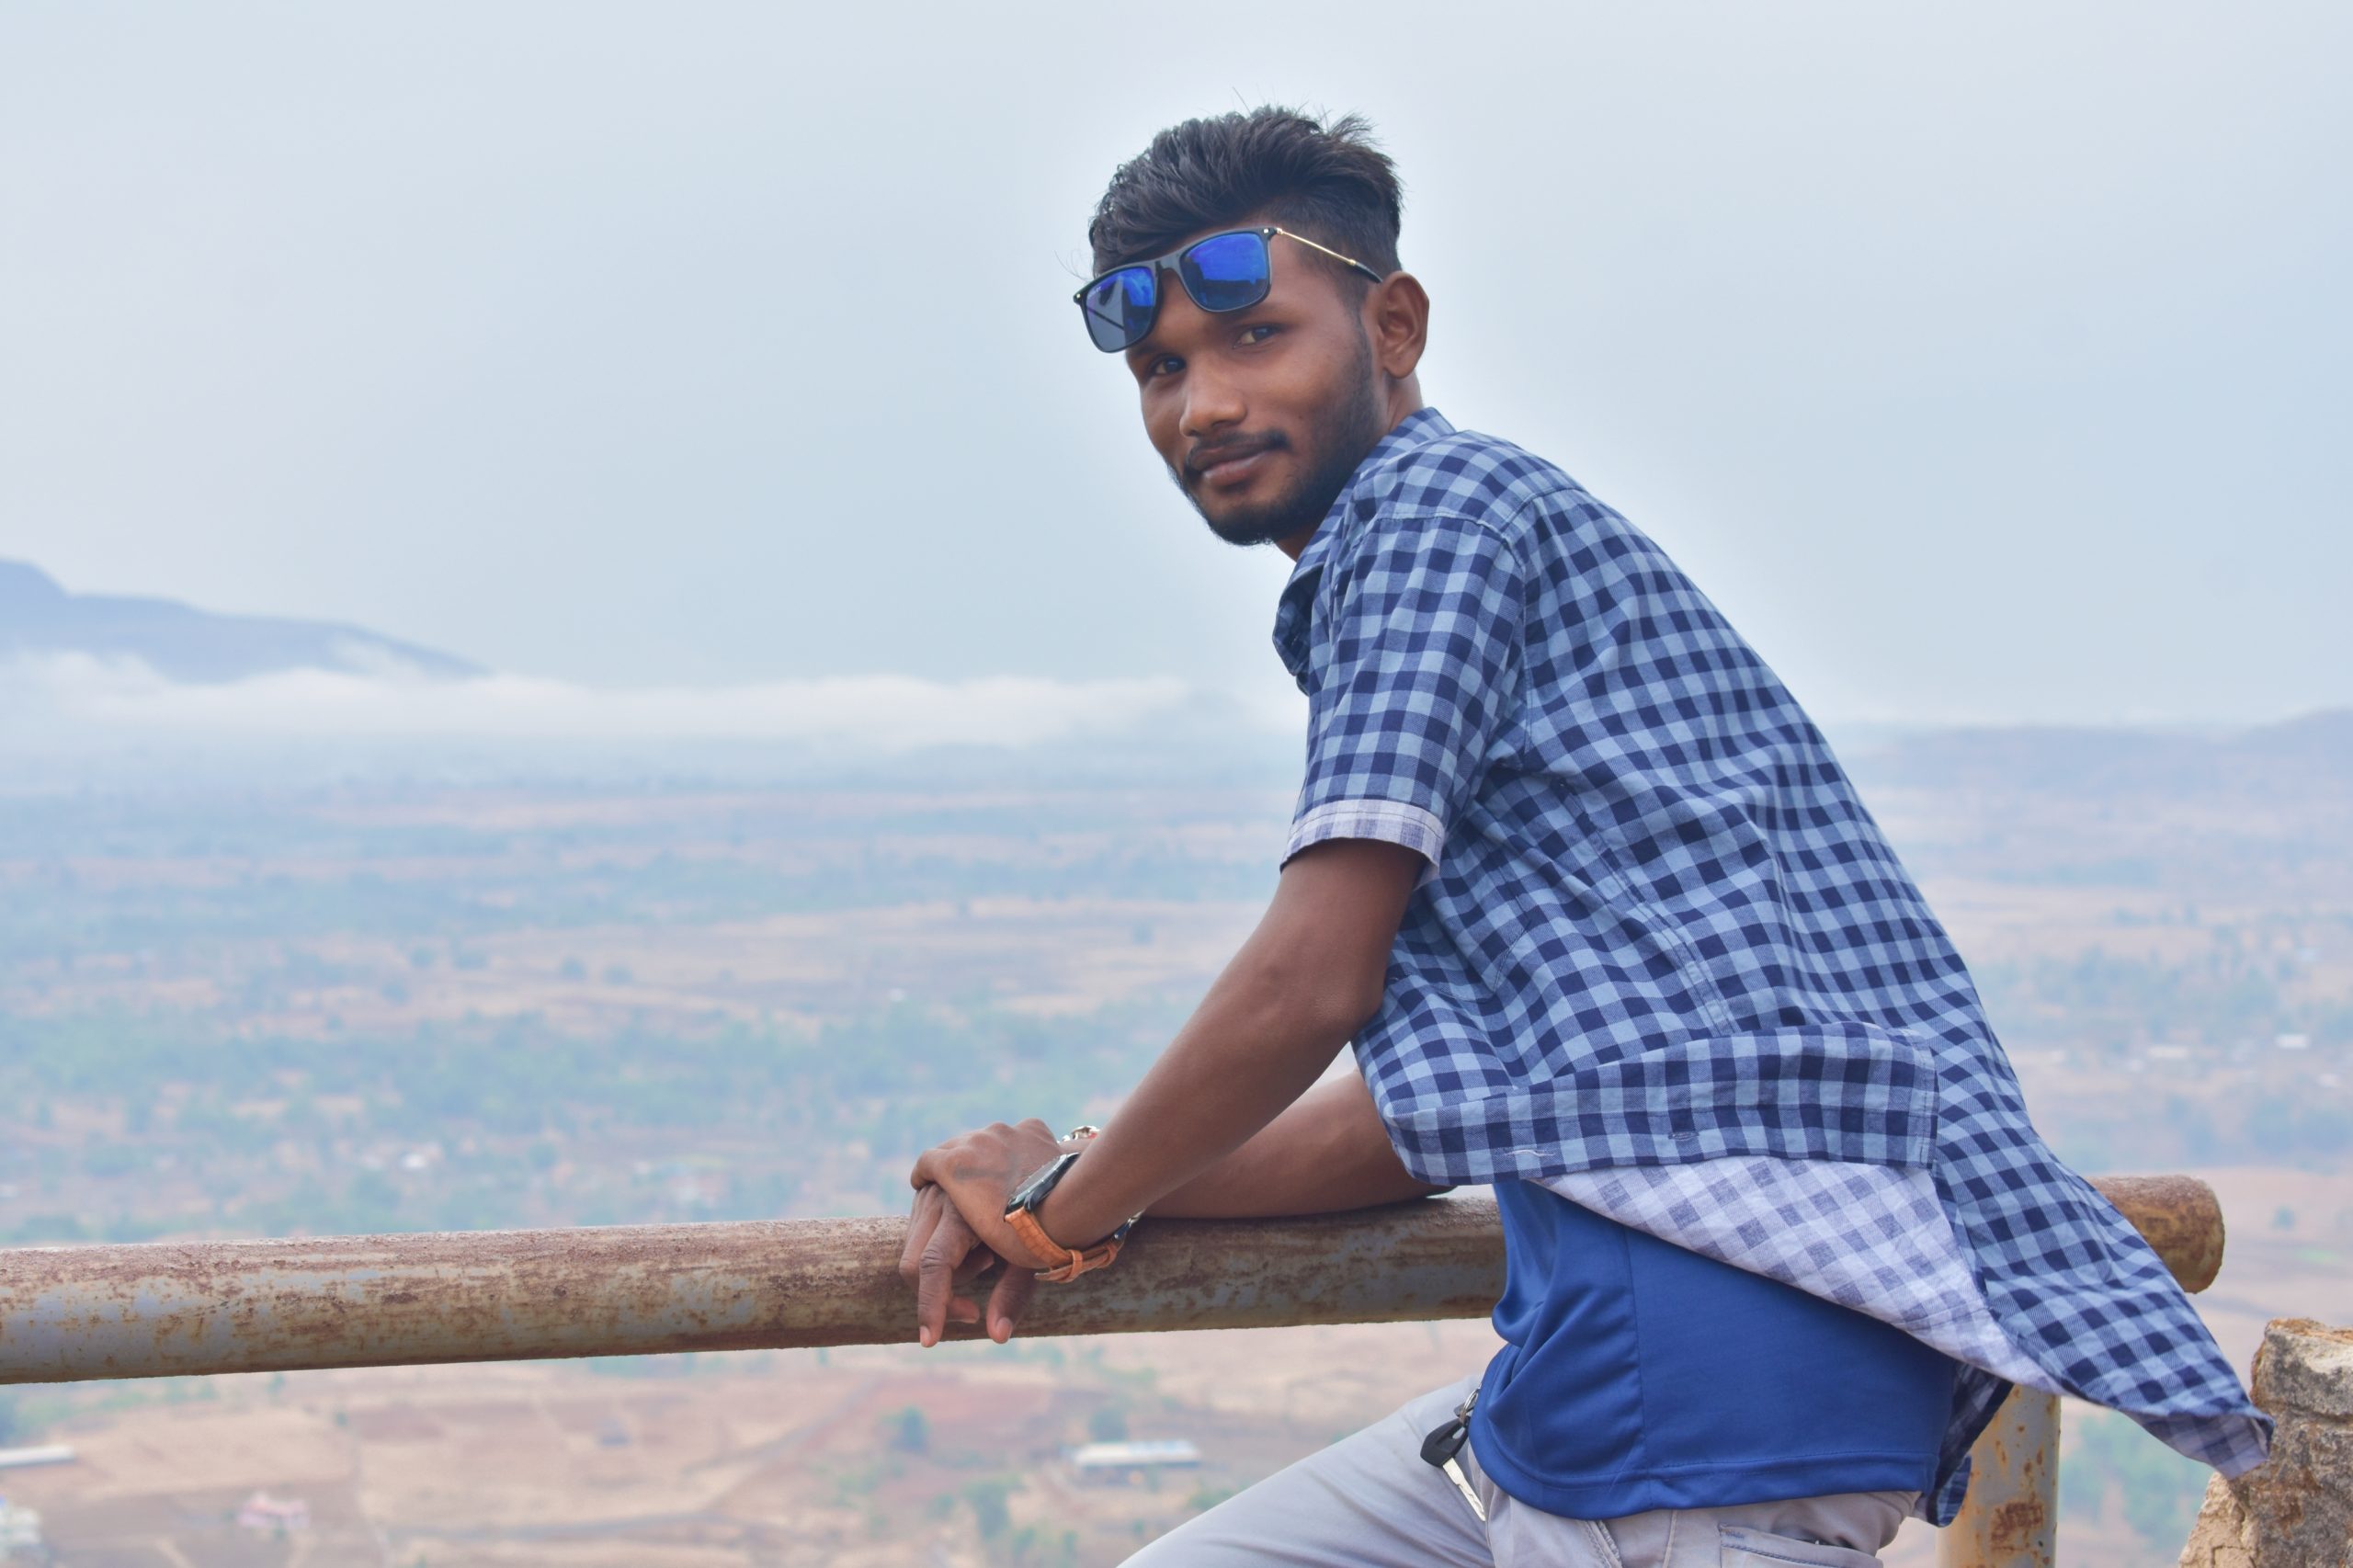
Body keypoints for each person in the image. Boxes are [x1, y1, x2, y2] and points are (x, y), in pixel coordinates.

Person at [898, 108, 2266, 1566]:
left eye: (1253, 340)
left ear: (1396, 326)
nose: (1203, 404)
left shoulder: (1430, 517)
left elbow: (1315, 982)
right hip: (1600, 1410)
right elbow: (1422, 1118)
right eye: (1161, 368)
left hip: (1699, 1445)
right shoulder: (1498, 554)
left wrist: (1050, 1214)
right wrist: (1104, 1167)